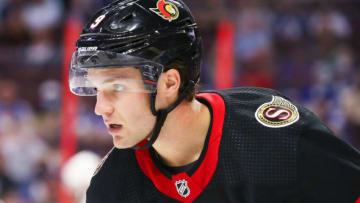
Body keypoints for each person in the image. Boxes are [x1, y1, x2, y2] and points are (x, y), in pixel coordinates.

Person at [68, 0, 360, 202]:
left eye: (116, 87)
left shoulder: (273, 138)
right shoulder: (112, 187)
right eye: (96, 90)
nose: (100, 108)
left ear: (169, 83)